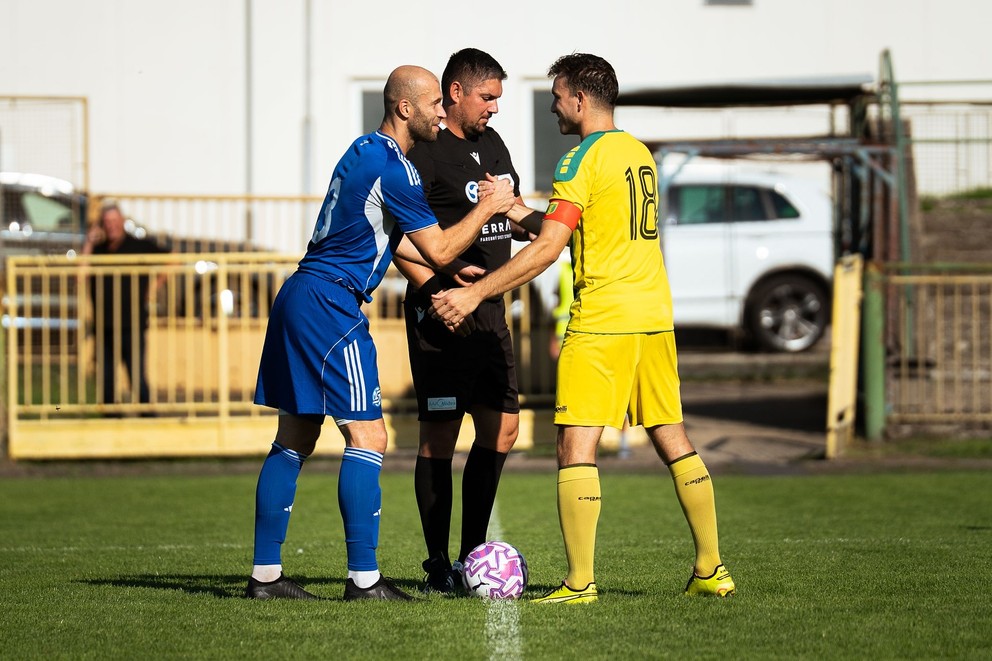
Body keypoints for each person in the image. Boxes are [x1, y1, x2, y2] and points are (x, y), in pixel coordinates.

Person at [431, 53, 735, 603]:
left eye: (556, 96)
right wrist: (512, 207)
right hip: (654, 320)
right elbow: (570, 224)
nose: (553, 106)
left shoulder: (579, 159)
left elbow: (549, 247)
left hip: (603, 323)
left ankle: (579, 583)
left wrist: (475, 291)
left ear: (578, 99)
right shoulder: (637, 153)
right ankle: (712, 569)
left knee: (575, 446)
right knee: (673, 438)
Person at [245, 64, 516, 601]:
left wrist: (443, 273)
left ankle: (265, 577)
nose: (442, 111)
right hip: (331, 305)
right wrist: (489, 205)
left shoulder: (362, 150)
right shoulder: (398, 168)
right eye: (435, 103)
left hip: (302, 295)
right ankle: (364, 580)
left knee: (295, 437)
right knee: (368, 436)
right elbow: (438, 245)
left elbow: (390, 239)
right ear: (405, 108)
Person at [392, 48, 542, 594]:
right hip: (444, 318)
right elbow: (403, 242)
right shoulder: (427, 154)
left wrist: (550, 227)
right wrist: (438, 290)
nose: (494, 109)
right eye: (488, 97)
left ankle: (473, 554)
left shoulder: (492, 144)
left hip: (489, 310)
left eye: (498, 99)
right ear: (455, 93)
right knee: (439, 440)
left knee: (503, 429)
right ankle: (438, 568)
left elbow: (513, 207)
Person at [82, 202, 168, 414]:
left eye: (114, 221)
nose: (111, 226)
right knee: (107, 381)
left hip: (132, 324)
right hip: (104, 326)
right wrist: (88, 244)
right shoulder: (99, 250)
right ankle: (111, 422)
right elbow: (80, 275)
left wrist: (153, 287)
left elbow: (171, 260)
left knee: (137, 379)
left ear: (122, 221)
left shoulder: (138, 245)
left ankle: (149, 419)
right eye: (107, 222)